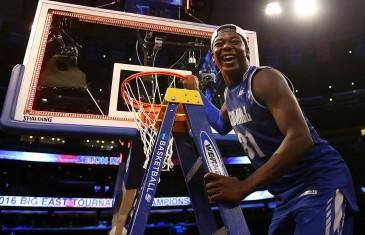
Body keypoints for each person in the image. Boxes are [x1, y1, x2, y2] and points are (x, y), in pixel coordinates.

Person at [182, 24, 359, 235]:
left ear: (246, 50)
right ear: (213, 56)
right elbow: (221, 125)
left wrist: (243, 187)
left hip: (320, 183)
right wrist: (195, 93)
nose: (227, 47)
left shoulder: (264, 79)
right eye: (220, 44)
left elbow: (301, 139)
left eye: (234, 42)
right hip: (285, 195)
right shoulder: (230, 95)